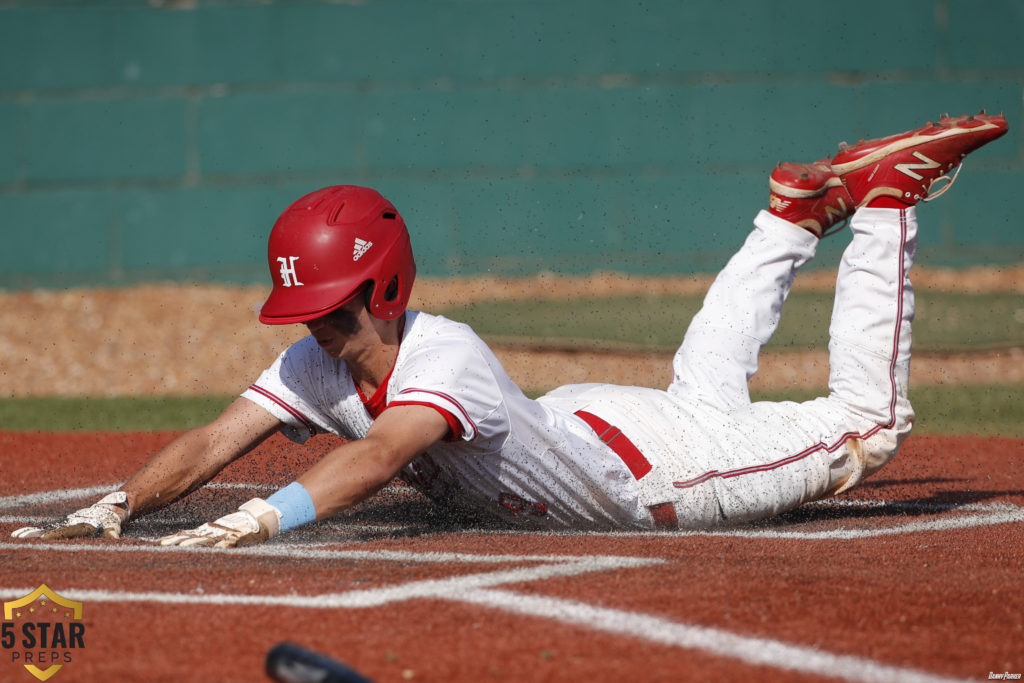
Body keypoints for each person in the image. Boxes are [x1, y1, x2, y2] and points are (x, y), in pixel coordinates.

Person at [12, 112, 1008, 545]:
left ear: (383, 290)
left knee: (866, 423)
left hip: (641, 483)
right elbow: (216, 437)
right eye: (308, 311)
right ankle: (788, 217)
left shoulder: (440, 353)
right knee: (704, 391)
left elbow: (382, 453)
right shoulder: (317, 361)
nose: (317, 327)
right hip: (586, 426)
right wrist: (121, 502)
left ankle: (883, 200)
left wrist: (266, 515)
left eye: (332, 308)